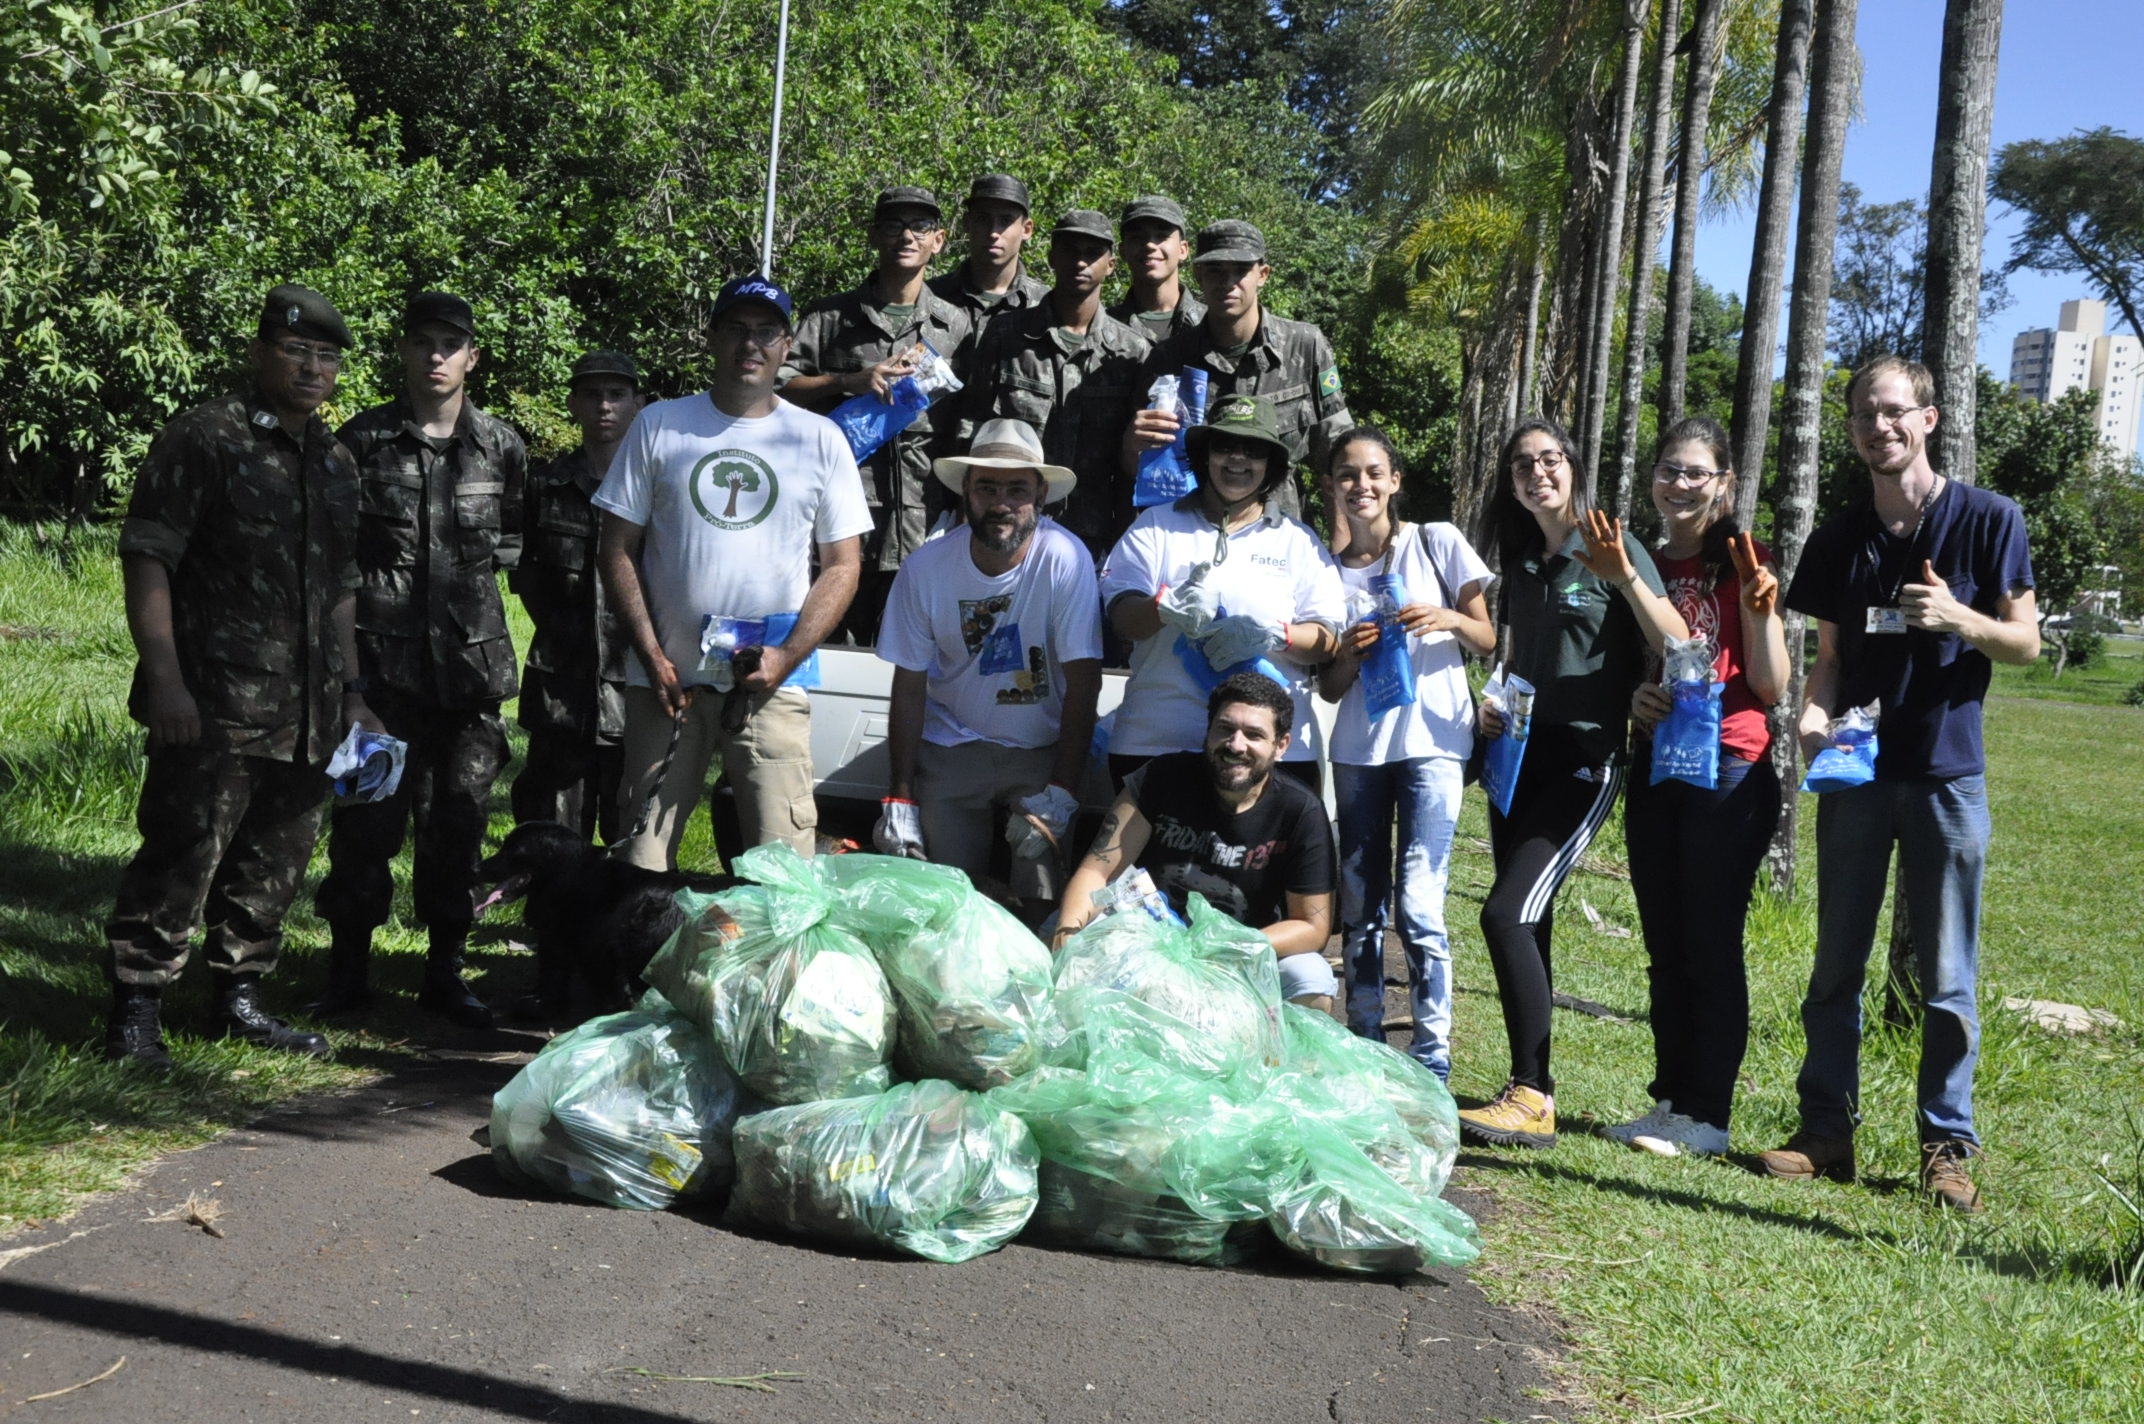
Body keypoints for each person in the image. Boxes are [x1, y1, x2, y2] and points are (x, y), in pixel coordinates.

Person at [1757, 355, 2038, 1213]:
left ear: (1928, 419)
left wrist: (1959, 617)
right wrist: (1812, 718)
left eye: (1893, 412)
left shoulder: (1989, 519)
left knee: (1949, 977)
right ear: (1850, 431)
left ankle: (1946, 1147)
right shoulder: (1839, 538)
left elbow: (2025, 643)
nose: (1878, 427)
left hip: (1947, 778)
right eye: (1863, 416)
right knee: (1835, 962)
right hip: (1857, 776)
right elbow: (1831, 661)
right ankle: (1825, 1131)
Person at [103, 284, 381, 1067]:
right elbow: (149, 557)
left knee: (276, 859)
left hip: (308, 708)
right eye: (296, 352)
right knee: (183, 850)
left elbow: (341, 587)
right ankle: (135, 1008)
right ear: (260, 353)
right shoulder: (205, 438)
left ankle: (239, 997)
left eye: (326, 357)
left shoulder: (334, 460)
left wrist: (354, 694)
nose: (312, 369)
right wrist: (166, 680)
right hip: (215, 699)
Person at [1457, 417, 1687, 1150]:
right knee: (1531, 923)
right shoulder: (1524, 560)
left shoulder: (1611, 545)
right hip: (1520, 757)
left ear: (1573, 465)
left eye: (1549, 459)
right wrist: (1495, 704)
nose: (1538, 474)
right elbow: (1521, 657)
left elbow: (1677, 640)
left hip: (1585, 764)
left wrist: (1623, 576)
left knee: (1504, 914)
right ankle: (1532, 1091)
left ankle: (1530, 1095)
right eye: (1522, 465)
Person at [595, 275, 870, 869]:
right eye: (737, 329)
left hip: (772, 683)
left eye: (766, 332)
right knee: (639, 862)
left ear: (786, 346)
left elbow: (843, 565)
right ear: (713, 337)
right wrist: (651, 656)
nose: (751, 344)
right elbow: (616, 548)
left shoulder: (819, 439)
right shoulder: (659, 424)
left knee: (785, 870)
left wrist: (786, 656)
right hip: (668, 685)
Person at [315, 291, 526, 1029]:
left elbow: (512, 544)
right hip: (380, 680)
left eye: (451, 344)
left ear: (472, 357)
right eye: (424, 342)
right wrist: (349, 681)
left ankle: (446, 973)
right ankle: (347, 974)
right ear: (404, 350)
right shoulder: (361, 441)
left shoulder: (501, 446)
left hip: (469, 682)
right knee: (363, 831)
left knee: (458, 831)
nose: (437, 356)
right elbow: (336, 560)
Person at [1610, 416, 1788, 1158]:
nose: (1679, 484)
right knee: (1665, 942)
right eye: (1669, 470)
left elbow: (1771, 686)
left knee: (1709, 942)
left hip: (1730, 768)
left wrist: (1761, 613)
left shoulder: (1746, 559)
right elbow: (1635, 665)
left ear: (1724, 483)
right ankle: (1670, 1103)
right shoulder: (1644, 564)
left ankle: (1708, 1115)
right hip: (1659, 767)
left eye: (1696, 472)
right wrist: (1636, 698)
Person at [1316, 428, 1494, 1084]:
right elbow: (1329, 688)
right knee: (1360, 908)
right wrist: (1348, 653)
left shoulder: (1435, 541)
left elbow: (1486, 637)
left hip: (1434, 746)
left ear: (1394, 481)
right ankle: (1364, 1044)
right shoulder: (1326, 571)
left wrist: (1447, 619)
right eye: (1346, 475)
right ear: (1333, 487)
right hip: (1358, 751)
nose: (1360, 485)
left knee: (1419, 904)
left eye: (1373, 473)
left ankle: (1431, 1055)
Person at [872, 419, 1103, 918]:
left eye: (1017, 489)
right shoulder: (927, 567)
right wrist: (900, 797)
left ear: (1040, 495)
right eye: (987, 488)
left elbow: (1084, 680)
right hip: (952, 744)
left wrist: (1062, 791)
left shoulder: (1065, 558)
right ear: (966, 491)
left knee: (1039, 899)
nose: (1001, 504)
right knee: (945, 900)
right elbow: (908, 683)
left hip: (1040, 749)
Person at [1096, 393, 1344, 788]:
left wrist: (1274, 635)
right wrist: (1163, 608)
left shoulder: (1299, 541)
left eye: (1254, 450)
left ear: (1271, 464)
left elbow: (1328, 642)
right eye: (1225, 445)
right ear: (1205, 455)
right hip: (1159, 742)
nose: (1238, 459)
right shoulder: (1154, 526)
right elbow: (1121, 619)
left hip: (1273, 754)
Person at [1054, 672, 1337, 1009]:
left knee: (1312, 979)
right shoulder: (1161, 777)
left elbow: (1312, 926)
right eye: (1225, 729)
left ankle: (1282, 1045)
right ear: (1208, 730)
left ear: (1281, 746)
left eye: (1254, 735)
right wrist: (1066, 935)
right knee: (1065, 939)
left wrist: (1224, 946)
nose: (1236, 745)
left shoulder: (1301, 809)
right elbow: (1097, 873)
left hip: (1242, 954)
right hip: (1148, 943)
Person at [783, 187, 974, 643]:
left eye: (920, 227)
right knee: (834, 654)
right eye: (893, 226)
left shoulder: (956, 326)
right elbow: (776, 391)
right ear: (873, 236)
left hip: (924, 526)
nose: (906, 237)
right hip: (840, 523)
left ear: (939, 241)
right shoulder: (829, 319)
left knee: (916, 657)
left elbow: (966, 424)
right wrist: (845, 382)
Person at [1121, 219, 1352, 521]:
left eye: (1241, 270)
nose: (1227, 282)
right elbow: (1140, 466)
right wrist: (1132, 445)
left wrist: (1341, 542)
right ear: (1198, 275)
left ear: (1263, 275)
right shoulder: (1169, 359)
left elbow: (1338, 455)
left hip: (1280, 533)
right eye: (1215, 270)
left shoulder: (1305, 346)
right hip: (1194, 531)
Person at [509, 350, 644, 845]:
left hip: (636, 679)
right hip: (562, 685)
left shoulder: (658, 487)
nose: (604, 405)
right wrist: (563, 633)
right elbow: (527, 576)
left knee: (632, 834)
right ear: (572, 403)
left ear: (638, 404)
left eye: (616, 394)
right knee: (554, 833)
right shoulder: (545, 485)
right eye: (591, 394)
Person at [962, 209, 1152, 560]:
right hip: (1011, 525)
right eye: (1069, 250)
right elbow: (971, 427)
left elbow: (1136, 457)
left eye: (1092, 254)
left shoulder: (1132, 351)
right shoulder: (1007, 334)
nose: (1080, 262)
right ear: (1051, 257)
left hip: (1099, 534)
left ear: (1111, 265)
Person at [928, 173, 1049, 321]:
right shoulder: (930, 296)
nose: (993, 232)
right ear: (967, 223)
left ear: (1026, 229)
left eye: (1005, 220)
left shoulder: (1047, 306)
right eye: (983, 219)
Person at [1108, 195, 1206, 347]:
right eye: (1137, 237)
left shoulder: (1213, 325)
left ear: (1183, 250)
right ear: (1123, 251)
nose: (1150, 245)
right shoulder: (1102, 328)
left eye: (1162, 236)